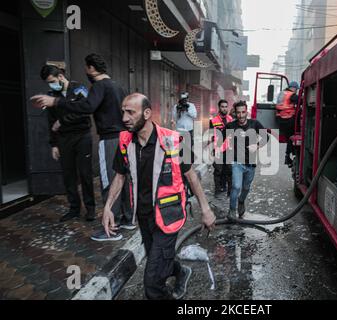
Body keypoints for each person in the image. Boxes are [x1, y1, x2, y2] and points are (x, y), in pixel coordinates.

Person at [103, 93, 216, 300]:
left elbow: (191, 177)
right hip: (145, 217)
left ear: (147, 113)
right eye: (123, 112)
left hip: (169, 216)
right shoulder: (125, 142)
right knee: (161, 258)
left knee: (152, 283)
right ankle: (181, 271)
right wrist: (108, 207)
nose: (125, 118)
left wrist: (206, 210)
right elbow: (120, 177)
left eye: (130, 112)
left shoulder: (174, 140)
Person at [31, 54, 134, 241]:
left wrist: (56, 103)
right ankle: (127, 219)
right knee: (122, 180)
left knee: (109, 183)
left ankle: (112, 227)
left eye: (86, 68)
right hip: (122, 137)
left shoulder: (98, 86)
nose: (86, 72)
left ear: (92, 68)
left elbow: (87, 107)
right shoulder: (118, 86)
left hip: (109, 139)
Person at [39, 64, 96, 223]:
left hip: (82, 136)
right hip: (64, 140)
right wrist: (54, 144)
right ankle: (74, 209)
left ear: (60, 76)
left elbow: (85, 111)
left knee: (85, 174)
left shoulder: (78, 88)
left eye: (52, 81)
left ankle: (90, 209)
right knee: (68, 175)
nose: (51, 84)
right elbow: (51, 122)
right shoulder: (51, 95)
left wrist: (63, 121)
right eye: (48, 82)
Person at [225, 101, 269, 219]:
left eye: (243, 112)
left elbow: (266, 137)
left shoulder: (255, 124)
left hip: (250, 163)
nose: (241, 115)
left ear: (246, 112)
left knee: (245, 188)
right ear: (235, 113)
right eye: (238, 113)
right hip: (236, 162)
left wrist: (257, 145)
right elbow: (219, 137)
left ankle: (241, 201)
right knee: (236, 186)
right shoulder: (231, 126)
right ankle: (232, 210)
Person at [209, 100, 233, 197]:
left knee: (229, 170)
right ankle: (218, 190)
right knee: (218, 170)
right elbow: (210, 136)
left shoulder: (231, 119)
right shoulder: (213, 121)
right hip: (218, 148)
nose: (224, 108)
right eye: (222, 106)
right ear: (219, 108)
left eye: (226, 106)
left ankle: (229, 191)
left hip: (229, 148)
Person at [276, 81, 300, 168]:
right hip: (287, 118)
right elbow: (301, 101)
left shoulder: (282, 93)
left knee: (289, 138)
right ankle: (289, 156)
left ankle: (289, 157)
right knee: (292, 137)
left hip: (280, 119)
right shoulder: (291, 95)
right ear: (293, 88)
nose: (296, 91)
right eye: (296, 89)